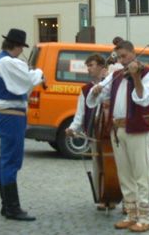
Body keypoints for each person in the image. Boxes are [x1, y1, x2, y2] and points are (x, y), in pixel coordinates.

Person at [87, 40, 149, 233]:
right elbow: (99, 96)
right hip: (117, 130)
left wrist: (136, 77)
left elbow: (144, 98)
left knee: (141, 174)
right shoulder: (116, 75)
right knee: (124, 175)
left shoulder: (146, 73)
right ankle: (130, 214)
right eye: (120, 57)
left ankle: (145, 217)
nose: (123, 61)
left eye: (125, 56)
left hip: (136, 129)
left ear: (133, 54)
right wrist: (97, 90)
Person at [0, 29, 43, 222]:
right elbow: (29, 80)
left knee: (6, 159)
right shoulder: (7, 62)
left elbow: (23, 84)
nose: (21, 50)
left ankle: (7, 205)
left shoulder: (5, 61)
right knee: (11, 160)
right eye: (21, 47)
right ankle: (11, 207)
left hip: (11, 114)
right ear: (17, 46)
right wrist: (38, 72)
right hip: (12, 114)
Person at [65, 54, 112, 210]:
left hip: (110, 132)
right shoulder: (85, 90)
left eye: (91, 65)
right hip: (95, 132)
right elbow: (80, 114)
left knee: (116, 167)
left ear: (101, 67)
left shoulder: (112, 84)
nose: (89, 68)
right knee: (98, 166)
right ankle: (103, 197)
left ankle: (121, 198)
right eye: (88, 66)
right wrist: (72, 128)